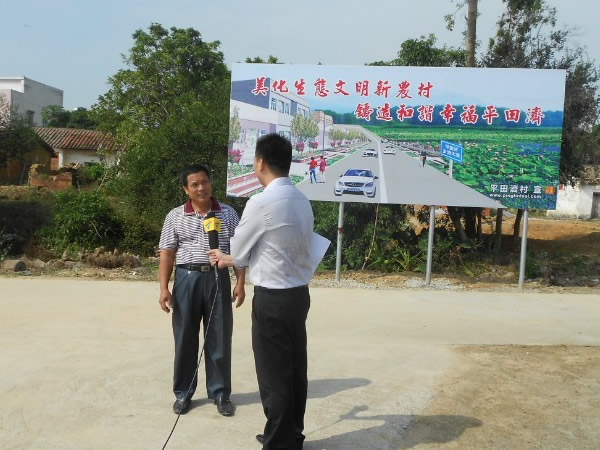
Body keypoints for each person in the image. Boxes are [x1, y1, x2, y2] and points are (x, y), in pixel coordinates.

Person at [208, 134, 314, 449]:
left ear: (260, 163)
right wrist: (235, 258)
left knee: (273, 374)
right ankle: (290, 433)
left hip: (272, 299)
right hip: (298, 294)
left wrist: (228, 257)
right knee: (295, 368)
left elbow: (240, 250)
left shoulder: (261, 201)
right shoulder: (300, 199)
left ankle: (279, 442)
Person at [158, 164, 246, 417]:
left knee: (219, 336)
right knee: (185, 336)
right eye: (194, 184)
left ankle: (220, 393)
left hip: (218, 277)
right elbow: (167, 252)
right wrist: (164, 288)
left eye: (204, 182)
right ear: (186, 189)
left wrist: (240, 283)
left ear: (211, 183)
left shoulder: (228, 213)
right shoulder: (175, 215)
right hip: (186, 278)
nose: (201, 188)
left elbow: (238, 251)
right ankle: (183, 393)